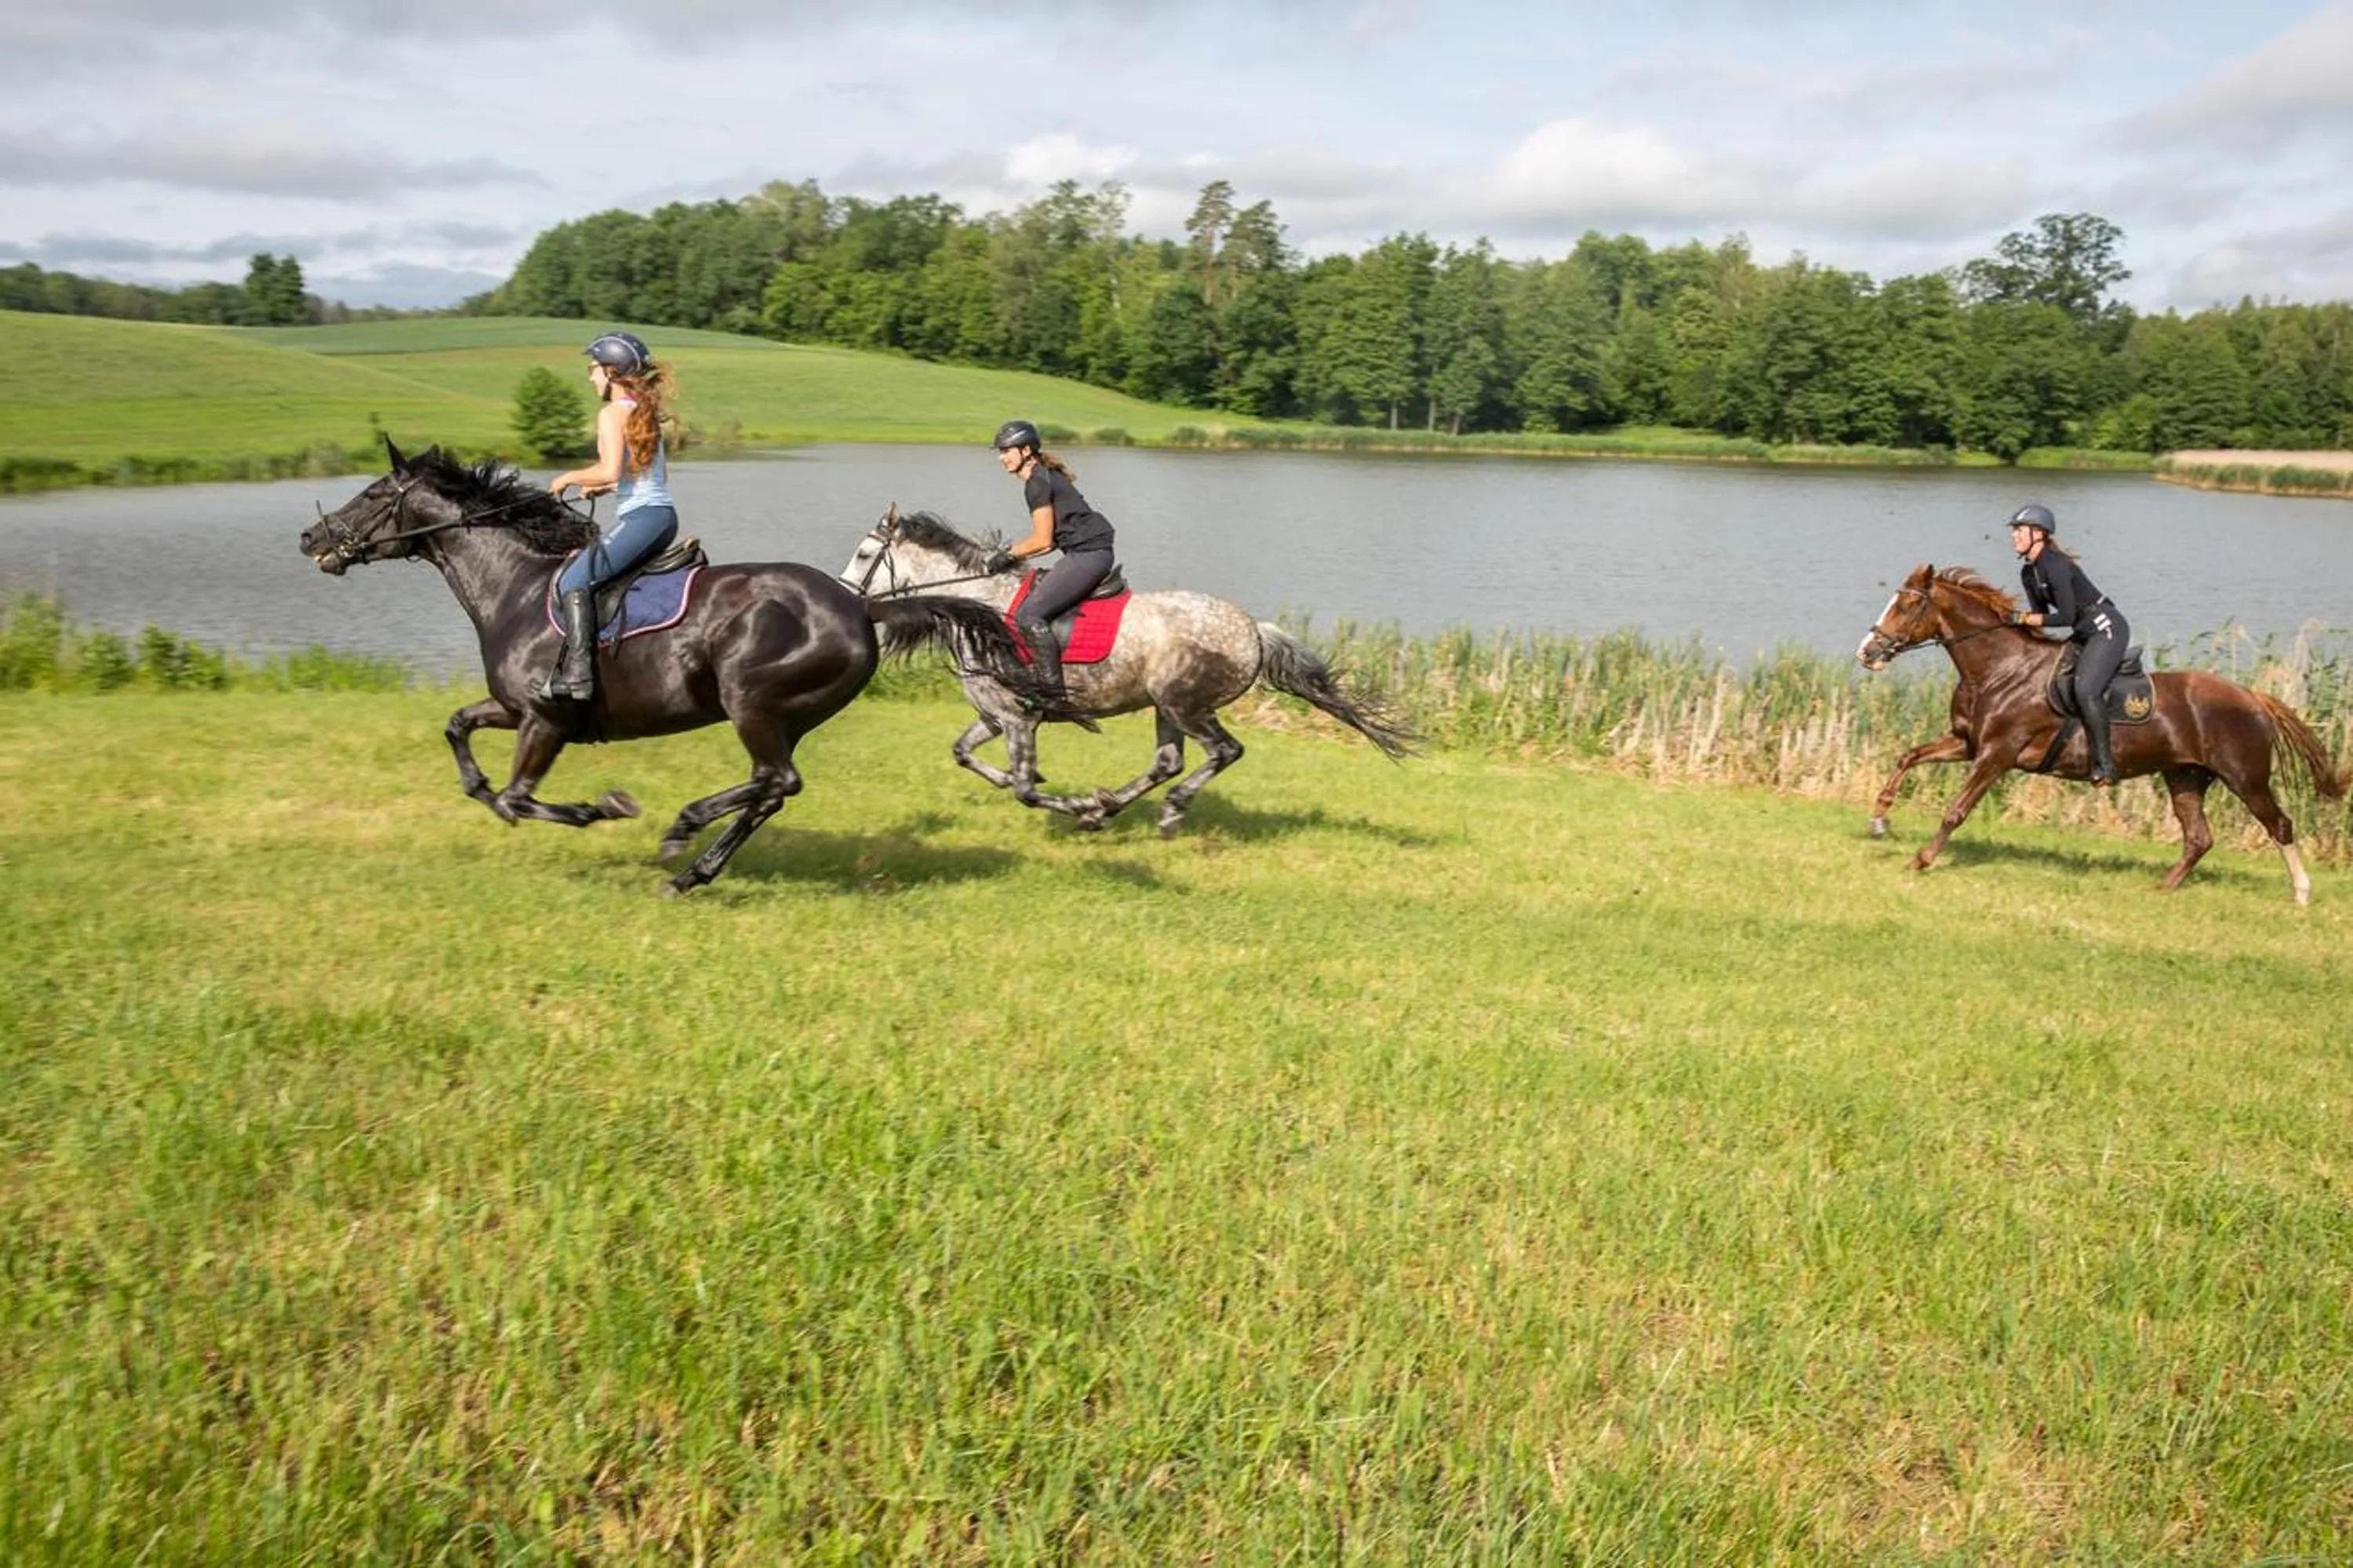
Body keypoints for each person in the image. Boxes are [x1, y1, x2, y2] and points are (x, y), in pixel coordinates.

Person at [541, 330, 679, 700]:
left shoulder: (611, 414)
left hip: (644, 518)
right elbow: (648, 475)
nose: (590, 377)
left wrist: (569, 477)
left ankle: (579, 676)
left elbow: (610, 470)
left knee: (572, 580)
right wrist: (602, 488)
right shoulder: (643, 411)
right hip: (661, 515)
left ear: (612, 371)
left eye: (593, 368)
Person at [984, 418, 1117, 704]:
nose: (1001, 457)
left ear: (1027, 450)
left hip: (1089, 555)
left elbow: (1043, 540)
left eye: (1007, 450)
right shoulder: (1042, 476)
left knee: (1028, 615)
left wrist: (1007, 554)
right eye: (1000, 451)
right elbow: (1051, 542)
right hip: (1088, 552)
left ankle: (1052, 695)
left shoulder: (1036, 483)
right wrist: (1013, 555)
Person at [2006, 502, 2129, 785]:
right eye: (2013, 531)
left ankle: (2105, 766)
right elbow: (2042, 617)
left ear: (2038, 533)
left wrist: (2022, 618)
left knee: (2086, 690)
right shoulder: (2029, 573)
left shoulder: (2055, 565)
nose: (2014, 536)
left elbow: (2065, 616)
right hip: (2084, 632)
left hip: (2106, 627)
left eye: (2019, 530)